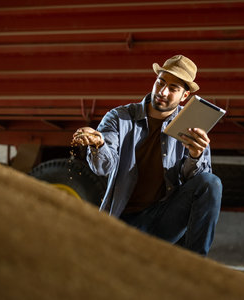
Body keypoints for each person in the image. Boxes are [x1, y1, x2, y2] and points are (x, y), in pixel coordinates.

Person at [73, 55, 222, 255]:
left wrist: (195, 156)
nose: (162, 92)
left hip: (164, 221)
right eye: (160, 82)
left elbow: (198, 189)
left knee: (211, 183)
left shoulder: (191, 127)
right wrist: (98, 144)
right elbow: (103, 167)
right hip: (123, 223)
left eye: (173, 88)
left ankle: (195, 264)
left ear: (184, 96)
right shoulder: (119, 117)